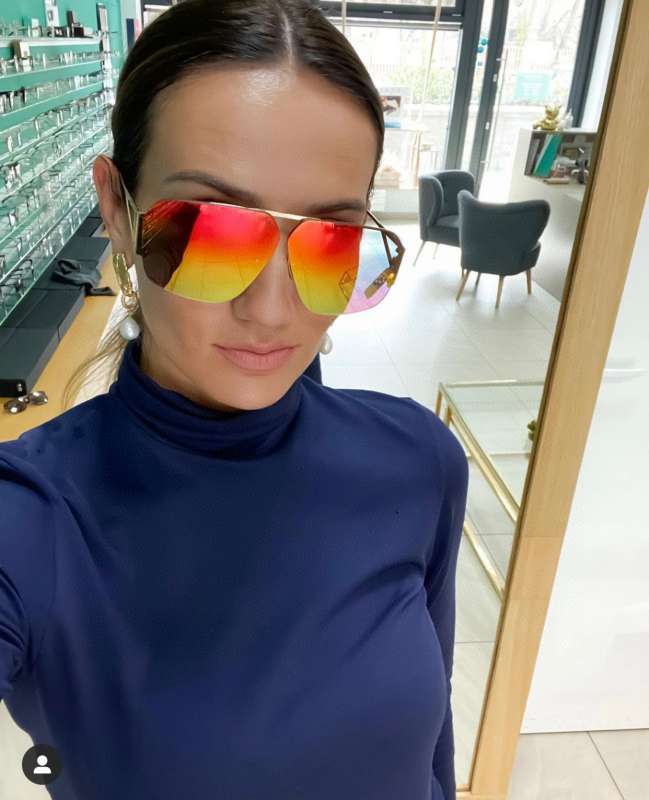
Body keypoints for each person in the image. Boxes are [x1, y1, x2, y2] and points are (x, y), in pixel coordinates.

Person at [0, 1, 469, 798]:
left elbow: (431, 749)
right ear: (116, 209)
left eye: (330, 241)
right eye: (209, 232)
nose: (272, 310)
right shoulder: (32, 520)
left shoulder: (417, 461)